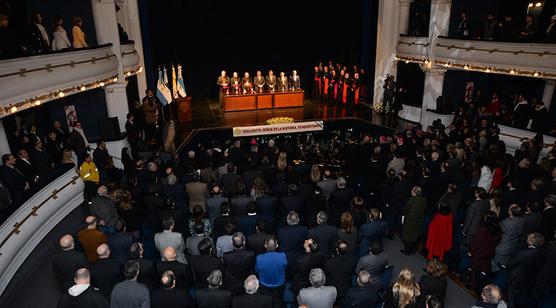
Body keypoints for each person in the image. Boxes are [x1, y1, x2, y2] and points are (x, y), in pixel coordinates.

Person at [507, 233, 546, 307]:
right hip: (530, 280)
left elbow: (510, 264)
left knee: (512, 301)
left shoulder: (523, 253)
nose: (527, 237)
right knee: (522, 301)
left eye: (529, 237)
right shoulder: (544, 253)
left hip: (516, 280)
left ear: (531, 242)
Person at [469, 211, 501, 292]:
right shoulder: (498, 230)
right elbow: (497, 242)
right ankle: (481, 286)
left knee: (475, 269)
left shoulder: (483, 230)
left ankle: (473, 285)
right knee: (484, 269)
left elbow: (476, 242)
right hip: (490, 252)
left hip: (479, 253)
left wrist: (471, 251)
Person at [491, 204, 525, 272]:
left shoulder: (505, 223)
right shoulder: (522, 221)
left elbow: (495, 231)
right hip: (514, 246)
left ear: (510, 212)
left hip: (503, 248)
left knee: (495, 267)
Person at [255, 237, 287, 308]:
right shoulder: (282, 256)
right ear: (277, 245)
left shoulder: (259, 258)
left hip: (264, 285)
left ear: (265, 245)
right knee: (278, 301)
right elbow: (285, 267)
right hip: (279, 284)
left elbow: (257, 270)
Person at [223, 232, 256, 296]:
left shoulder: (226, 256)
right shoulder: (250, 254)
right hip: (246, 282)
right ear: (244, 242)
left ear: (232, 242)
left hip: (232, 284)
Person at [401, 186, 427, 255]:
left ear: (415, 193)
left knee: (408, 236)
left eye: (412, 190)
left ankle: (407, 251)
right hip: (419, 220)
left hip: (410, 220)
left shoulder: (411, 201)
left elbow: (404, 210)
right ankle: (413, 250)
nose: (411, 191)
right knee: (415, 236)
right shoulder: (424, 200)